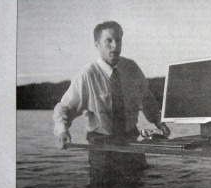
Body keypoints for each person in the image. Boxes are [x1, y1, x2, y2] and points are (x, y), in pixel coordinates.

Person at [53, 21, 169, 175]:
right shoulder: (87, 74)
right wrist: (62, 131)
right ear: (97, 44)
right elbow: (65, 108)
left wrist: (158, 121)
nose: (115, 46)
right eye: (109, 41)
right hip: (102, 145)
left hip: (131, 141)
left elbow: (146, 98)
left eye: (118, 40)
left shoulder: (131, 68)